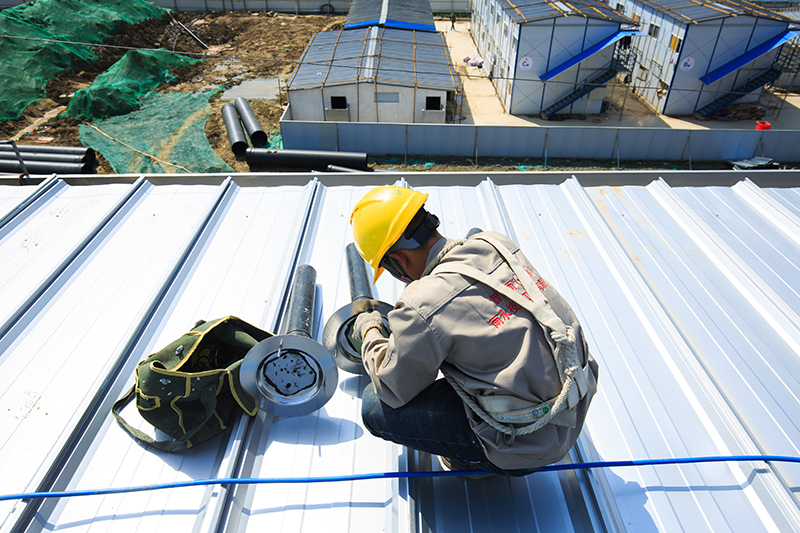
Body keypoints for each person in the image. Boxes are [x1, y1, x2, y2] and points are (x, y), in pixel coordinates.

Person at [349, 186, 599, 477]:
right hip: (574, 408)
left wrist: (370, 331)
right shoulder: (495, 243)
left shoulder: (422, 302)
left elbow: (392, 386)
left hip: (526, 445)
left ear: (398, 261)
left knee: (373, 407)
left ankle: (476, 460)